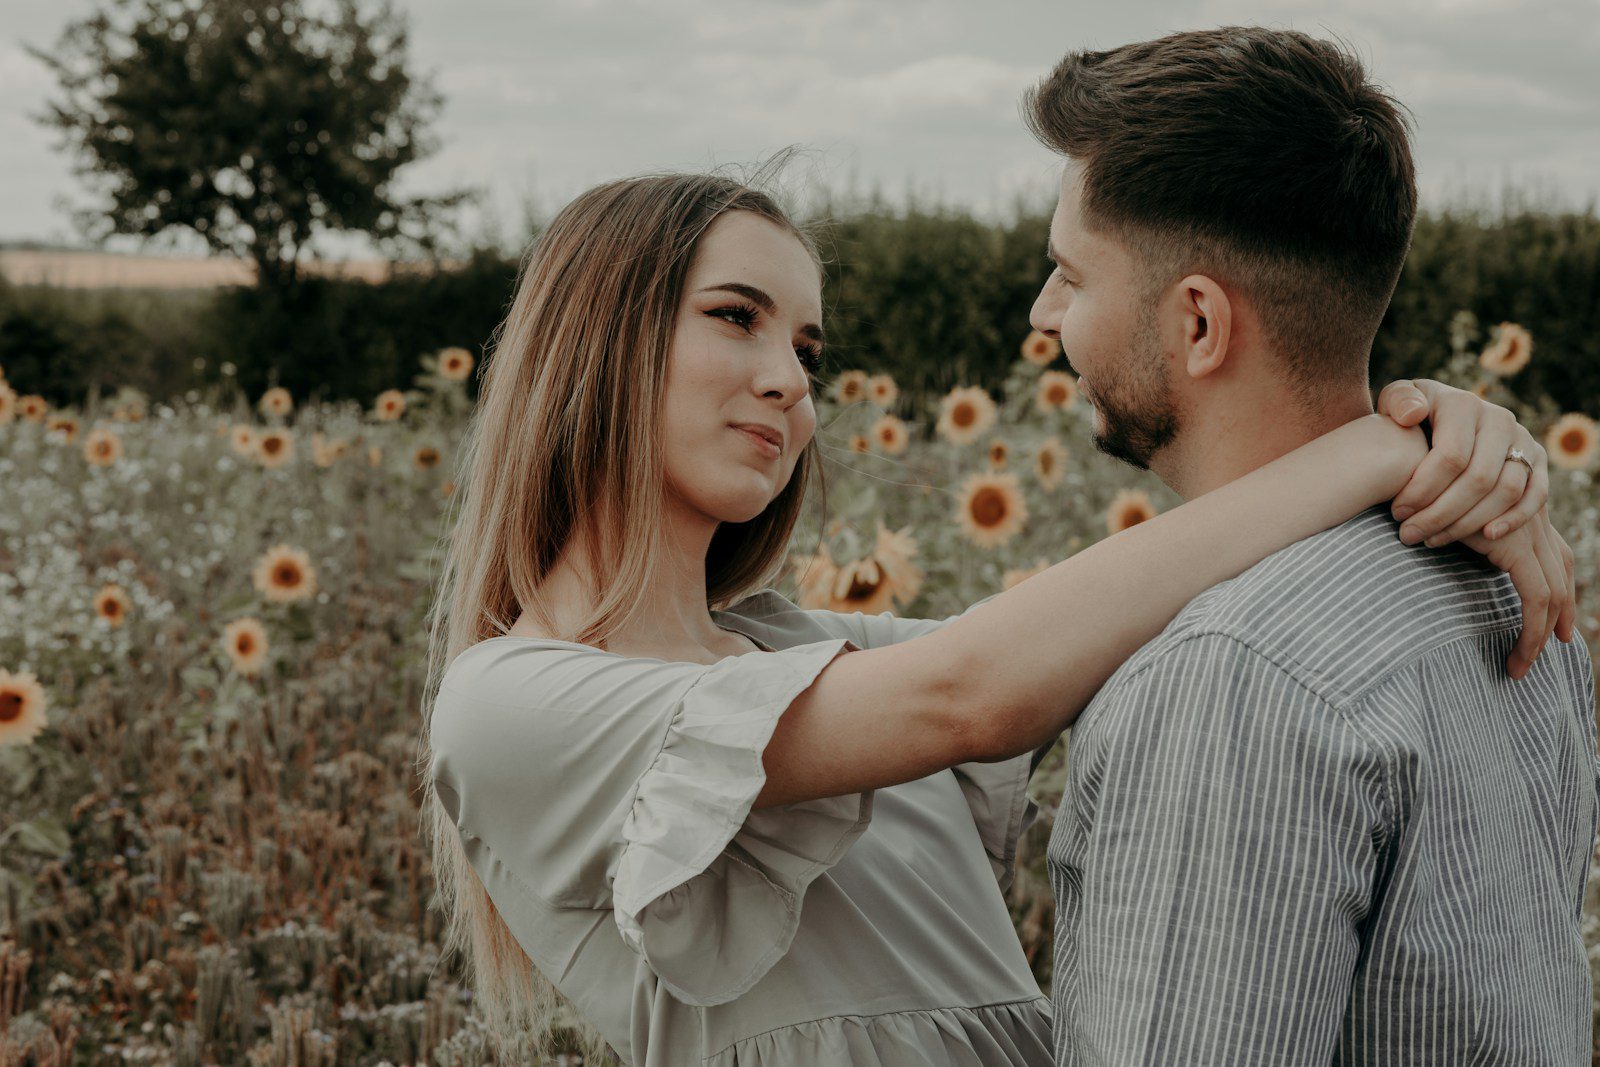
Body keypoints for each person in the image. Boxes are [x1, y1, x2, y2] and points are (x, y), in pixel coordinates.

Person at [419, 164, 1575, 1066]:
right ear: (597, 336)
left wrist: (1462, 440)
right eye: (735, 316)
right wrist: (1368, 448)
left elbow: (1131, 617)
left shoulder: (799, 655)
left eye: (807, 347)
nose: (787, 377)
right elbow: (973, 691)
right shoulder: (510, 703)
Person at [1016, 26, 1599, 1065]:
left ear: (1198, 323)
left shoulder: (1226, 675)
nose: (1044, 309)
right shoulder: (1511, 588)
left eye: (1070, 273)